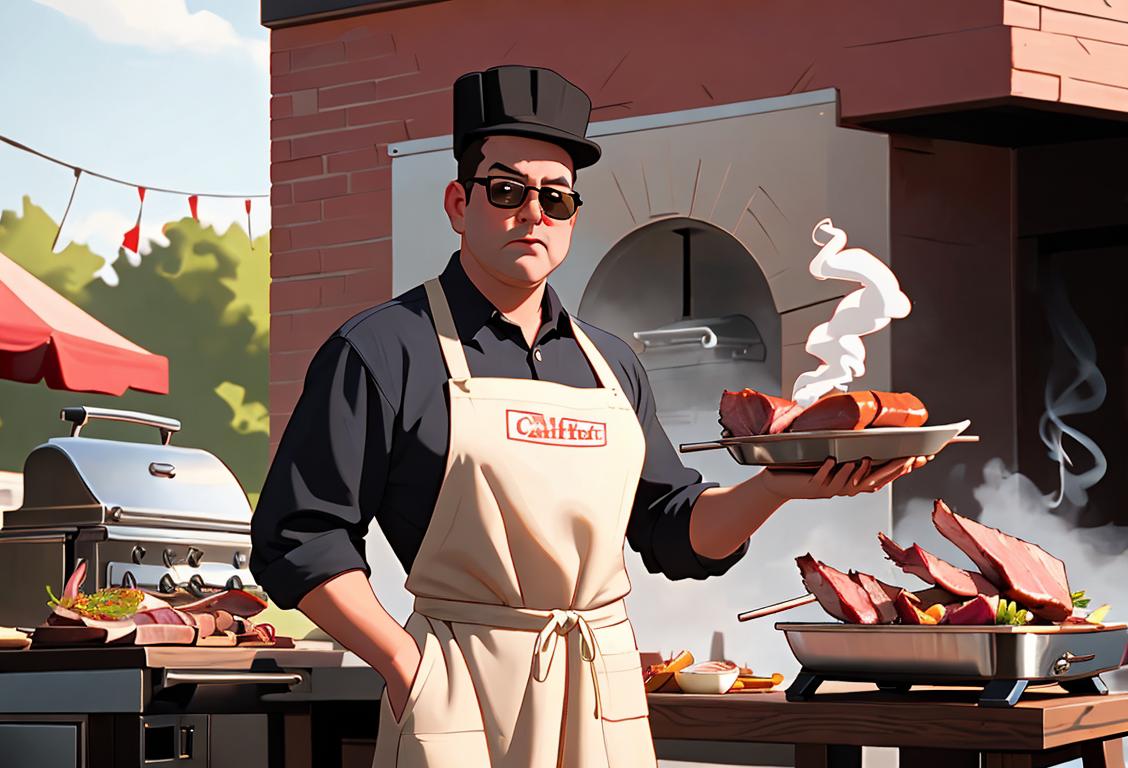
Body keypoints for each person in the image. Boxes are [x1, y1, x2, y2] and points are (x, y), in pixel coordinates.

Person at [250, 64, 927, 768]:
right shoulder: (385, 350)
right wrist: (405, 665)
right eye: (506, 190)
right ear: (458, 203)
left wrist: (783, 484)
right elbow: (299, 534)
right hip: (460, 691)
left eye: (556, 198)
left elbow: (670, 528)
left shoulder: (612, 364)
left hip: (602, 690)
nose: (533, 214)